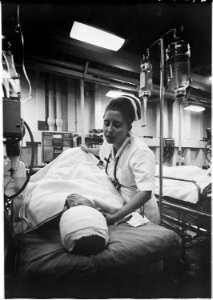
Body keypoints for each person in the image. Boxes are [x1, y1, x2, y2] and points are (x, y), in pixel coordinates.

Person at [81, 94, 160, 225]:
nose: (109, 130)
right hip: (120, 205)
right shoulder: (109, 144)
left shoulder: (140, 152)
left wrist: (115, 216)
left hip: (141, 213)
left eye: (116, 125)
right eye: (106, 123)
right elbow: (102, 152)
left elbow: (145, 192)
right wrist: (87, 150)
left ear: (129, 127)